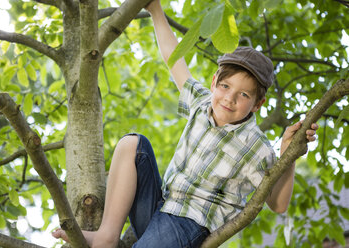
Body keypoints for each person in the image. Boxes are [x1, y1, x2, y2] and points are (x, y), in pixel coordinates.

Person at [52, 0, 319, 247]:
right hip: (160, 207)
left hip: (190, 225)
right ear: (214, 82)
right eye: (225, 86)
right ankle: (107, 236)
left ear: (257, 104)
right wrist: (155, 10)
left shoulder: (256, 146)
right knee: (132, 144)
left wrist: (289, 152)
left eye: (244, 95)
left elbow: (278, 204)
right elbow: (173, 57)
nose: (229, 98)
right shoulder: (202, 103)